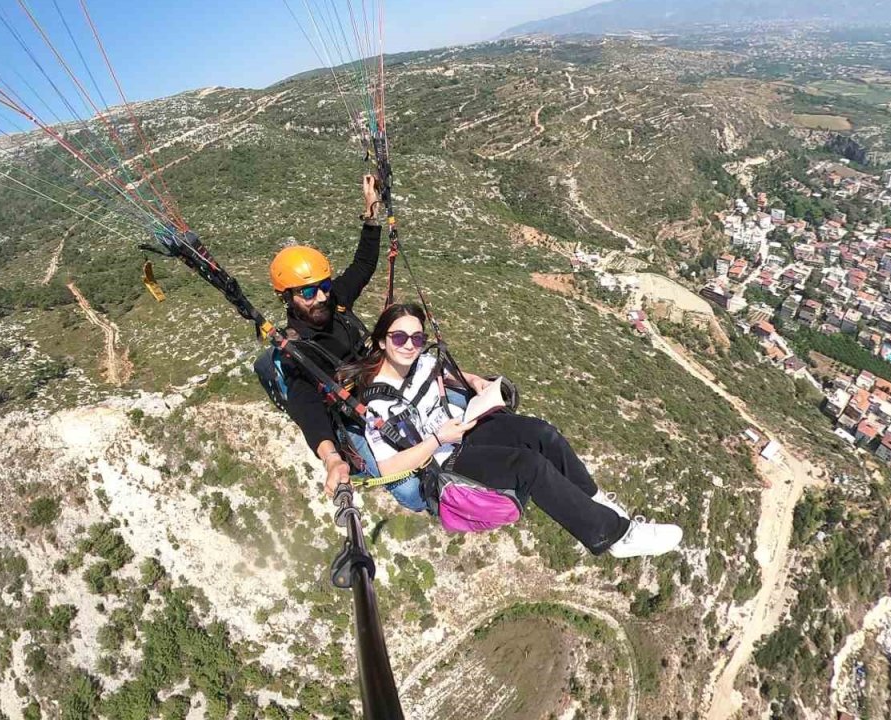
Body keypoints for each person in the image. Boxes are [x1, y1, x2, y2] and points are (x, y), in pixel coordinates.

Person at [340, 303, 684, 558]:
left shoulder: (423, 362)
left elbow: (443, 373)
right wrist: (437, 439)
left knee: (541, 433)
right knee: (529, 467)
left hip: (462, 433)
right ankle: (614, 537)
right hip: (443, 462)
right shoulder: (377, 403)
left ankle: (599, 504)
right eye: (399, 336)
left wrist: (474, 381)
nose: (410, 344)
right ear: (382, 342)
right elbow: (388, 468)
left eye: (417, 336)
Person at [271, 174, 385, 496]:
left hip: (375, 379)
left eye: (323, 286)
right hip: (353, 412)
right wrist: (331, 457)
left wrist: (371, 212)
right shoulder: (295, 349)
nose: (321, 296)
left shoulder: (334, 301)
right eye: (308, 291)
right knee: (401, 484)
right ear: (287, 296)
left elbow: (363, 265)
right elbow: (305, 405)